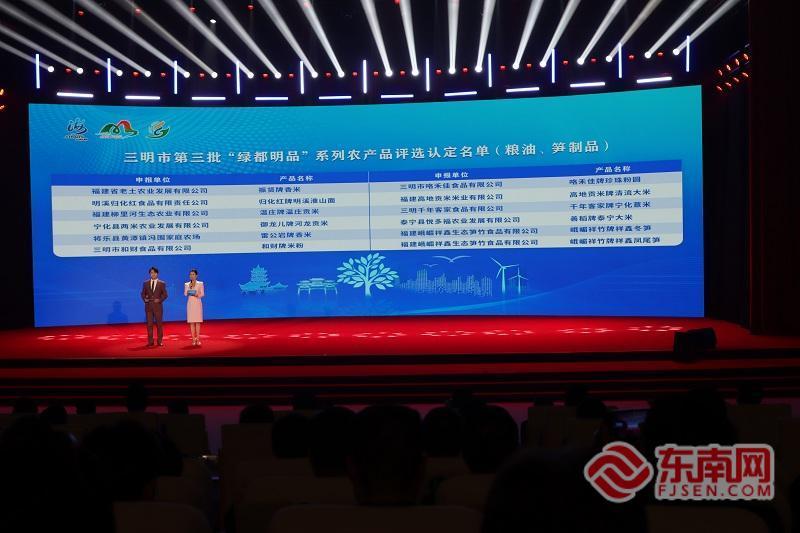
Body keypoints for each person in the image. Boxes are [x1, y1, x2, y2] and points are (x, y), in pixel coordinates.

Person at [140, 266, 168, 347]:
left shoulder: (162, 283)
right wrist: (144, 299)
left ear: (157, 273)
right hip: (148, 307)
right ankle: (150, 341)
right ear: (150, 274)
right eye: (151, 273)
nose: (153, 274)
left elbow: (165, 295)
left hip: (158, 307)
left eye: (154, 273)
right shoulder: (145, 283)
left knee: (159, 324)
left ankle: (159, 341)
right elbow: (142, 294)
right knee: (149, 325)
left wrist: (159, 300)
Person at [184, 269, 204, 346]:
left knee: (197, 322)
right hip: (190, 304)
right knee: (192, 322)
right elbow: (185, 294)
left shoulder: (200, 283)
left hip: (197, 303)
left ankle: (198, 339)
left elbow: (202, 294)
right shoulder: (187, 284)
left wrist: (197, 295)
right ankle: (193, 339)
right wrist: (189, 290)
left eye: (193, 274)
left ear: (196, 275)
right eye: (190, 274)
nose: (191, 276)